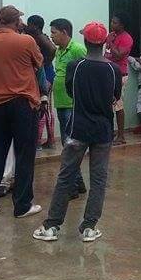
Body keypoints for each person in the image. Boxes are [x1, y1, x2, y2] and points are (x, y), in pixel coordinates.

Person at [32, 22, 122, 243]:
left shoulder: (75, 66)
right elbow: (115, 96)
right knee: (98, 179)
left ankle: (52, 226)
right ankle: (89, 227)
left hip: (78, 128)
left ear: (85, 40)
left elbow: (71, 92)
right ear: (104, 42)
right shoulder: (114, 69)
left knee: (66, 176)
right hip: (103, 130)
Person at [0, 5, 44, 219]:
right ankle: (22, 205)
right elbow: (39, 62)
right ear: (16, 22)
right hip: (22, 102)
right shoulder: (26, 41)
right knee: (24, 154)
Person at [50, 18, 88, 194]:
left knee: (70, 145)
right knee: (68, 144)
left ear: (64, 32)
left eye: (54, 32)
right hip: (61, 102)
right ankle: (78, 182)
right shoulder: (59, 51)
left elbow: (87, 72)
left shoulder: (78, 49)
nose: (51, 36)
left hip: (72, 103)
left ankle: (72, 186)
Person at [26, 15, 57, 149]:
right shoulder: (35, 36)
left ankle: (45, 140)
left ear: (35, 26)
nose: (27, 27)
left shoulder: (40, 37)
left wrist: (44, 63)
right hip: (42, 74)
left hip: (46, 75)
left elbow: (52, 49)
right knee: (42, 107)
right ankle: (45, 140)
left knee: (44, 108)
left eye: (29, 24)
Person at [104, 13, 134, 144]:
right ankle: (109, 133)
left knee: (118, 104)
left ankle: (121, 136)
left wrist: (110, 42)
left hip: (119, 76)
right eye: (111, 22)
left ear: (122, 25)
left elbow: (118, 55)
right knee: (107, 105)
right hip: (107, 73)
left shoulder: (126, 38)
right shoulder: (111, 35)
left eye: (115, 22)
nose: (112, 24)